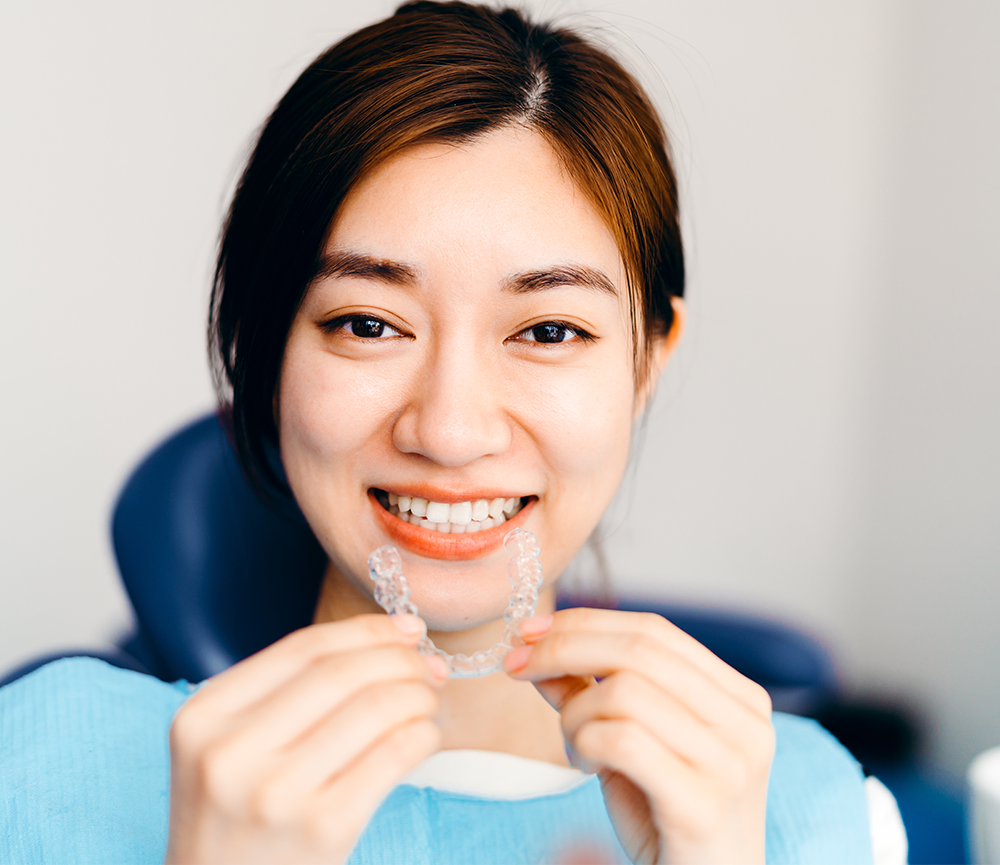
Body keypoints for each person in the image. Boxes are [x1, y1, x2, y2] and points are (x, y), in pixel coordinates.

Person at [0, 2, 903, 863]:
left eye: (549, 331)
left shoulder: (821, 812)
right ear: (266, 353)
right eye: (368, 323)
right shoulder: (38, 769)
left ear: (650, 359)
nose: (451, 428)